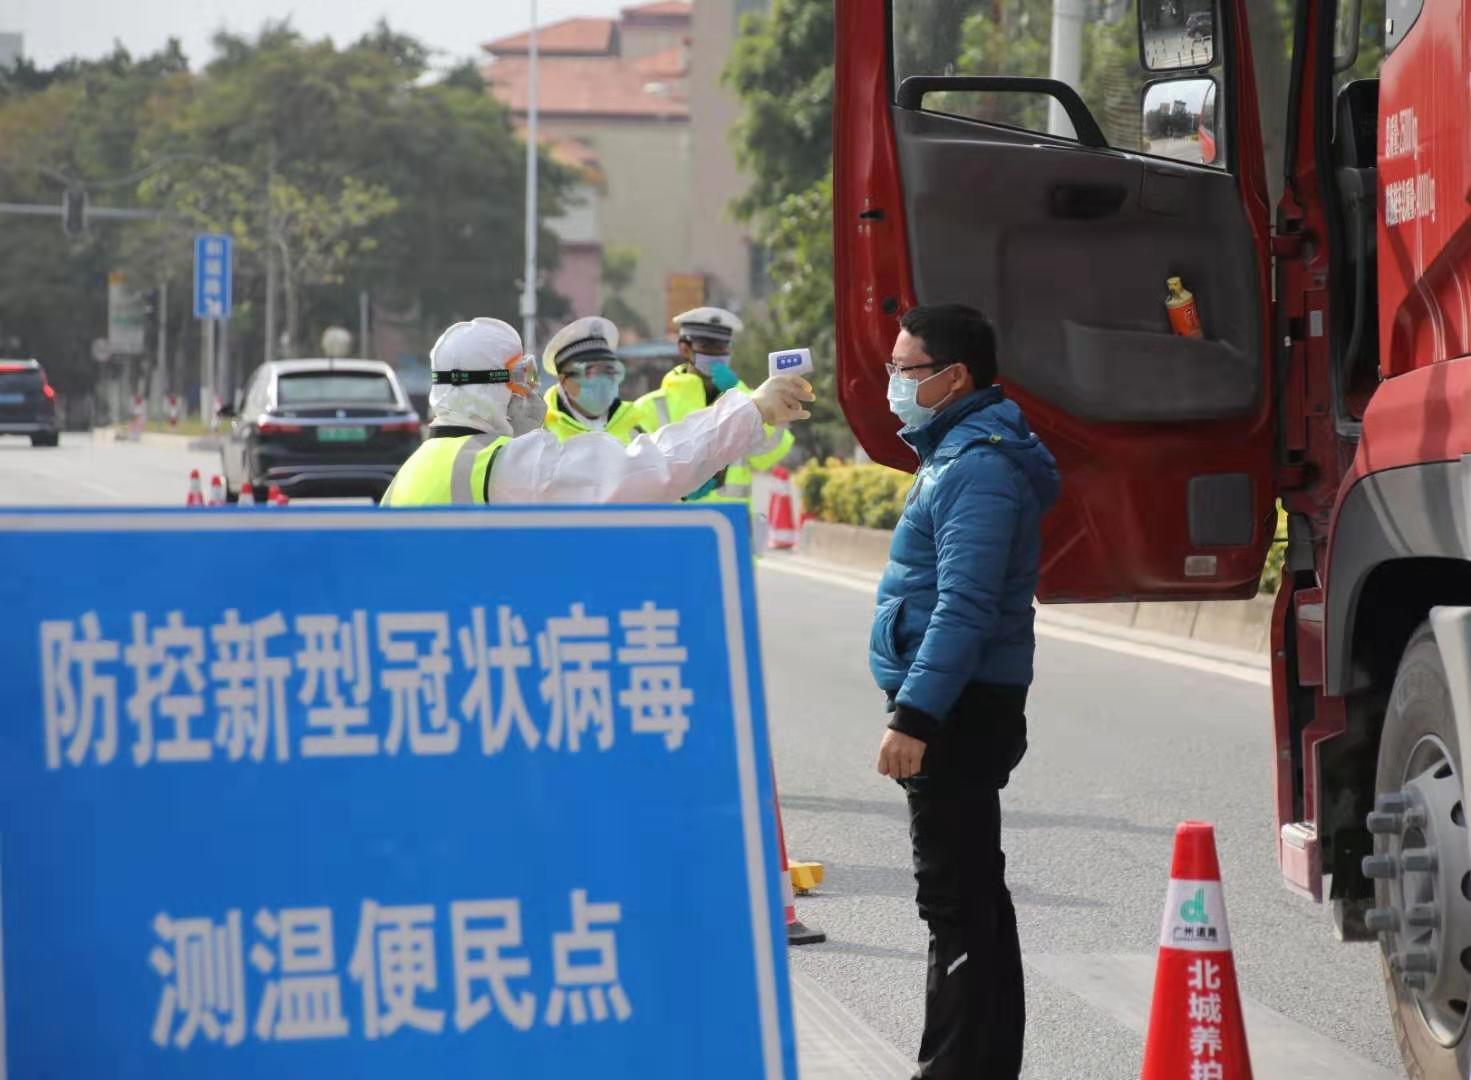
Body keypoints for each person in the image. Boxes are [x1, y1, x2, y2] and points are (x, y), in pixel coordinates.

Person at [867, 303, 1058, 1080]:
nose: (892, 383)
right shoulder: (958, 453)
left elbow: (964, 605)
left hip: (956, 709)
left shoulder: (976, 466)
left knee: (954, 902)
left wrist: (914, 714)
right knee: (972, 898)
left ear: (953, 377)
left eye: (904, 370)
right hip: (962, 701)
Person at [381, 317, 812, 506]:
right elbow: (650, 467)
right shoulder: (501, 466)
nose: (529, 393)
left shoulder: (412, 471)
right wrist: (753, 409)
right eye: (519, 377)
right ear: (490, 387)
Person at [631, 306, 792, 504]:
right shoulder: (648, 407)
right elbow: (637, 479)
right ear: (684, 348)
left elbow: (771, 453)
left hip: (732, 520)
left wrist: (739, 392)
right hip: (675, 521)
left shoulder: (741, 397)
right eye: (707, 346)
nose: (717, 354)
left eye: (722, 347)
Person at [541, 315, 645, 444]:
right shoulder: (543, 430)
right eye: (590, 372)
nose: (604, 381)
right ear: (564, 381)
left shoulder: (633, 424)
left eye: (609, 370)